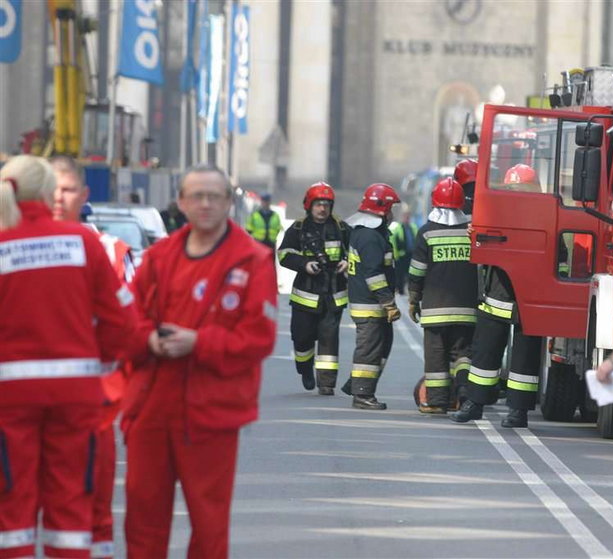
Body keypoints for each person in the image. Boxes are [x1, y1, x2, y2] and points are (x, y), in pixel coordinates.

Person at [121, 164, 278, 558]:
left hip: (210, 414)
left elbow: (259, 338)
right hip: (152, 407)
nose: (205, 204)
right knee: (142, 521)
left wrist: (199, 343)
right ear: (181, 202)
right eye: (196, 196)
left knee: (209, 525)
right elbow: (128, 320)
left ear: (228, 202)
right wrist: (149, 340)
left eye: (214, 196)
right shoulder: (158, 257)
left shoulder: (252, 261)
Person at [0, 155, 135, 559]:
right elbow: (123, 323)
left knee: (12, 509)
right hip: (76, 398)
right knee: (72, 506)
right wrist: (98, 364)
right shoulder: (84, 243)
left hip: (9, 402)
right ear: (46, 192)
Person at [51, 155, 135, 559]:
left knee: (88, 507)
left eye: (65, 189)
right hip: (28, 406)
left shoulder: (107, 250)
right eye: (50, 188)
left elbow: (128, 322)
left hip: (92, 402)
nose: (56, 198)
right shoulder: (11, 240)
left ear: (83, 196)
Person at [451, 164, 543, 428]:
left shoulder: (542, 218)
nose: (518, 195)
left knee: (525, 358)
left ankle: (518, 411)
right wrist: (474, 235)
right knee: (484, 354)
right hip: (497, 296)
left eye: (522, 190)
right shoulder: (496, 213)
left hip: (527, 298)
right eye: (514, 190)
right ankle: (475, 403)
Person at [408, 177, 478, 413]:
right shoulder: (471, 232)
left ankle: (437, 402)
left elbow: (417, 270)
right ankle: (465, 394)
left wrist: (413, 299)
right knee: (463, 356)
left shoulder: (426, 233)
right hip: (467, 309)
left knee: (436, 357)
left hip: (434, 310)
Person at [278, 182, 349, 394]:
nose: (323, 209)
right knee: (302, 338)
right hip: (305, 296)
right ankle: (305, 368)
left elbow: (356, 250)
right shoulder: (299, 228)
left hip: (333, 295)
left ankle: (326, 384)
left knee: (329, 340)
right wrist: (304, 265)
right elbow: (284, 254)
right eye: (318, 204)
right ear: (310, 205)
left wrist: (348, 261)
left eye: (326, 205)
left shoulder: (341, 228)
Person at [343, 183, 402, 410]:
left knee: (381, 346)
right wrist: (387, 302)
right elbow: (374, 274)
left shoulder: (370, 233)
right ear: (383, 209)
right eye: (390, 208)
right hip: (370, 305)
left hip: (370, 303)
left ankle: (357, 384)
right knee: (369, 349)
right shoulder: (369, 237)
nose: (392, 213)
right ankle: (362, 394)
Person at [388, 206, 417, 295]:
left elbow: (416, 240)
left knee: (410, 274)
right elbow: (394, 242)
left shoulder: (413, 227)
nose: (407, 218)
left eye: (408, 216)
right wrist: (395, 255)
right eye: (405, 216)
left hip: (411, 254)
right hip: (401, 255)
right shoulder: (398, 228)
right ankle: (400, 291)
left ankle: (410, 289)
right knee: (400, 275)